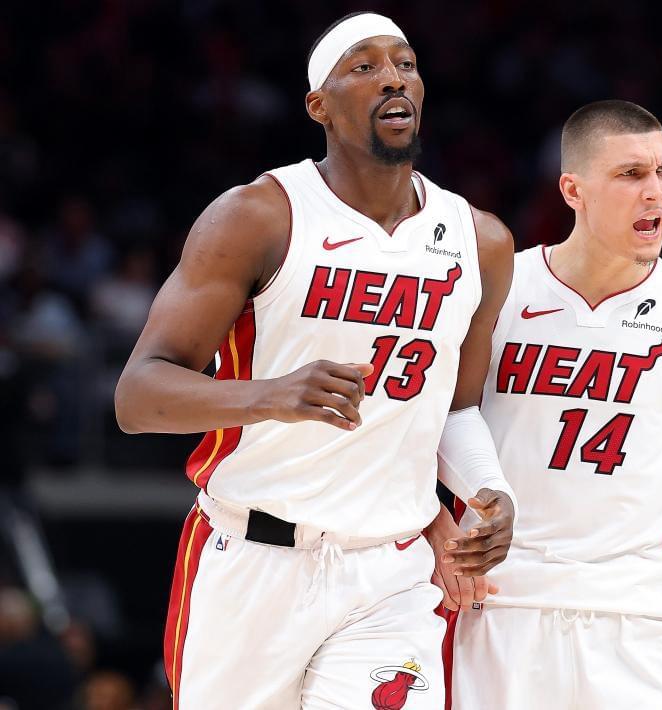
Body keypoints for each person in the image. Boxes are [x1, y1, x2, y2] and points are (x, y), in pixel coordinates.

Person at [114, 12, 516, 709]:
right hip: (251, 559)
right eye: (364, 66)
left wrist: (488, 489)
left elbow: (454, 407)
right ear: (318, 106)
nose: (393, 78)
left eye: (406, 63)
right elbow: (137, 396)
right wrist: (269, 395)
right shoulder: (259, 216)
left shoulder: (479, 241)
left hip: (389, 573)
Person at [444, 100, 662, 710]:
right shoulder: (498, 289)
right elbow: (428, 427)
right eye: (631, 174)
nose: (656, 191)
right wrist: (436, 529)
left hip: (638, 620)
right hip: (500, 607)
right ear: (573, 190)